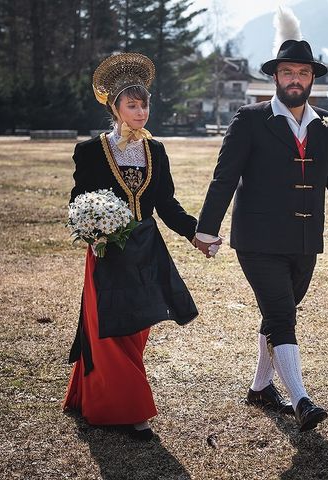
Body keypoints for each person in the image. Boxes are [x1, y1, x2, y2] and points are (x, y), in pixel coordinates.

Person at [194, 39, 328, 432]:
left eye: (302, 73)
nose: (295, 79)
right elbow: (225, 177)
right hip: (257, 240)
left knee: (277, 314)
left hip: (306, 241)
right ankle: (302, 400)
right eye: (287, 72)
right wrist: (206, 228)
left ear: (312, 80)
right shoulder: (249, 119)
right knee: (283, 316)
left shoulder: (326, 123)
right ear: (275, 76)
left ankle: (260, 388)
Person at [63, 52, 209, 441]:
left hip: (146, 251)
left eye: (145, 104)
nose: (141, 112)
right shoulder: (90, 151)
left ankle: (98, 394)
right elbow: (78, 199)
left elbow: (166, 204)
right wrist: (93, 226)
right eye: (132, 105)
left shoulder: (155, 150)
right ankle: (129, 410)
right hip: (107, 253)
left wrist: (196, 233)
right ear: (116, 108)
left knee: (136, 330)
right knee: (109, 332)